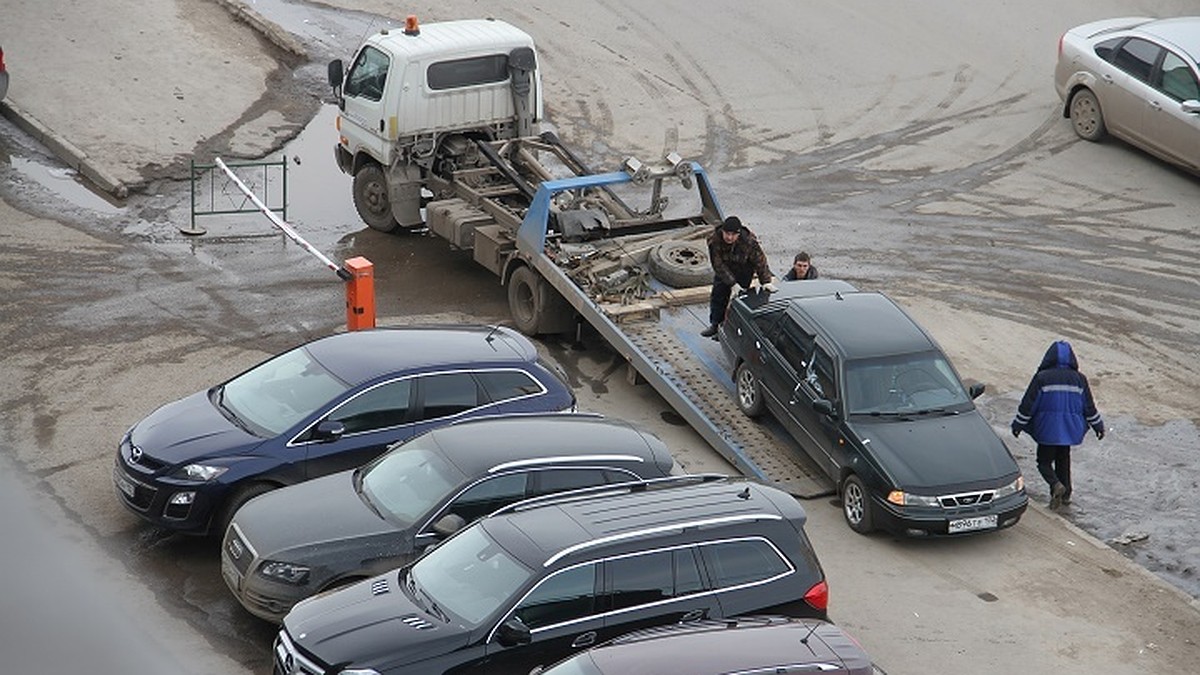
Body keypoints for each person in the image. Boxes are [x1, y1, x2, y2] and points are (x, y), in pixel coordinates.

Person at [1011, 340, 1105, 509]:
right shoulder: (1079, 379)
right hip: (1069, 429)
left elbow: (1028, 405)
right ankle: (1066, 494)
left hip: (1047, 429)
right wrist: (1098, 425)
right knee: (1063, 459)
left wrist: (1018, 424)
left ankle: (1055, 484)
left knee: (1043, 462)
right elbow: (1088, 406)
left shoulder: (1042, 378)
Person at [701, 216, 775, 338]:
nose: (729, 237)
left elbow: (760, 261)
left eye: (733, 234)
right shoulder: (714, 240)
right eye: (727, 234)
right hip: (724, 269)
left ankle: (731, 329)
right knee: (718, 296)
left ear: (739, 234)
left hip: (744, 269)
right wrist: (732, 283)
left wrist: (766, 281)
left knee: (740, 300)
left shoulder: (749, 242)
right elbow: (718, 264)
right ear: (722, 231)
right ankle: (715, 325)